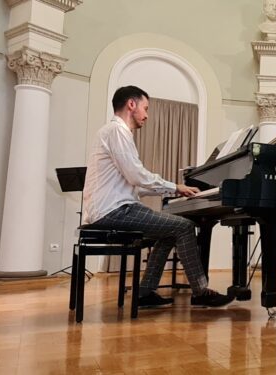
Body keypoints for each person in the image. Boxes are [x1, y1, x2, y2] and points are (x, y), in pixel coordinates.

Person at [82, 85, 233, 308]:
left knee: (169, 233)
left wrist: (172, 190)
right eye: (145, 108)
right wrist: (174, 187)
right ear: (131, 105)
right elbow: (137, 176)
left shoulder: (112, 132)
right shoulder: (117, 132)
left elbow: (134, 184)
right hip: (113, 212)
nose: (147, 115)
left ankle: (144, 292)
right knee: (184, 227)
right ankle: (200, 291)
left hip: (110, 209)